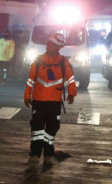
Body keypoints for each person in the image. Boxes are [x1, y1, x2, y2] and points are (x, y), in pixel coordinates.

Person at [24, 33, 76, 170]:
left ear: (59, 47)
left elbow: (70, 78)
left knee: (52, 128)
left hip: (54, 102)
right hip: (39, 101)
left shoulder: (63, 62)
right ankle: (34, 154)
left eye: (52, 44)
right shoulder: (39, 60)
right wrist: (26, 95)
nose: (49, 46)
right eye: (48, 43)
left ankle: (48, 154)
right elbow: (30, 79)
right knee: (37, 127)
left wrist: (72, 93)